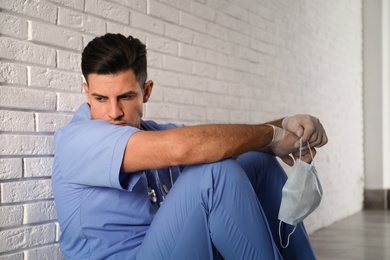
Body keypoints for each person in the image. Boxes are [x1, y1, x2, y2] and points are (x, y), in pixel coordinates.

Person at [52, 33, 328, 260]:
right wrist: (272, 135)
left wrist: (288, 126)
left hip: (167, 248)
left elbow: (214, 144)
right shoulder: (78, 139)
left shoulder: (153, 135)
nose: (114, 113)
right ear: (86, 92)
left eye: (126, 97)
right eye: (100, 98)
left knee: (256, 161)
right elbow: (182, 149)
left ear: (146, 91)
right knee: (214, 174)